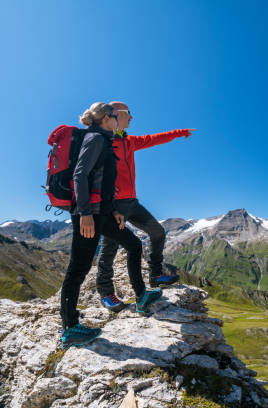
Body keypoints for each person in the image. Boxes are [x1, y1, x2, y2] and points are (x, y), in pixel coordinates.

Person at [60, 102, 163, 348]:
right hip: (90, 215)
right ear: (108, 118)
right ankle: (70, 328)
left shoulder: (104, 139)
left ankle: (141, 297)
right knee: (78, 269)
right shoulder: (95, 138)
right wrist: (84, 213)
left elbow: (102, 182)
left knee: (134, 244)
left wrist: (114, 210)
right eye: (116, 117)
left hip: (104, 214)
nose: (120, 121)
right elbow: (79, 174)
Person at [96, 101, 195, 312]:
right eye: (128, 113)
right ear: (115, 115)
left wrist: (179, 132)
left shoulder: (129, 141)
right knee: (109, 247)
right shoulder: (102, 142)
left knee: (157, 232)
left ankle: (156, 274)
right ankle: (106, 292)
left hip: (132, 202)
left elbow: (153, 139)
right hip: (113, 205)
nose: (131, 117)